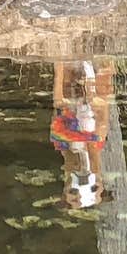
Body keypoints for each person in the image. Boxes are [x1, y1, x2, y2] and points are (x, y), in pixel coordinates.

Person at [50, 60, 116, 211]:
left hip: (69, 139)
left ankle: (60, 58)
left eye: (73, 192)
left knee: (64, 89)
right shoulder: (97, 139)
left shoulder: (62, 142)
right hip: (87, 136)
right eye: (94, 188)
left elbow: (59, 105)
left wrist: (58, 64)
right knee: (103, 77)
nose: (84, 182)